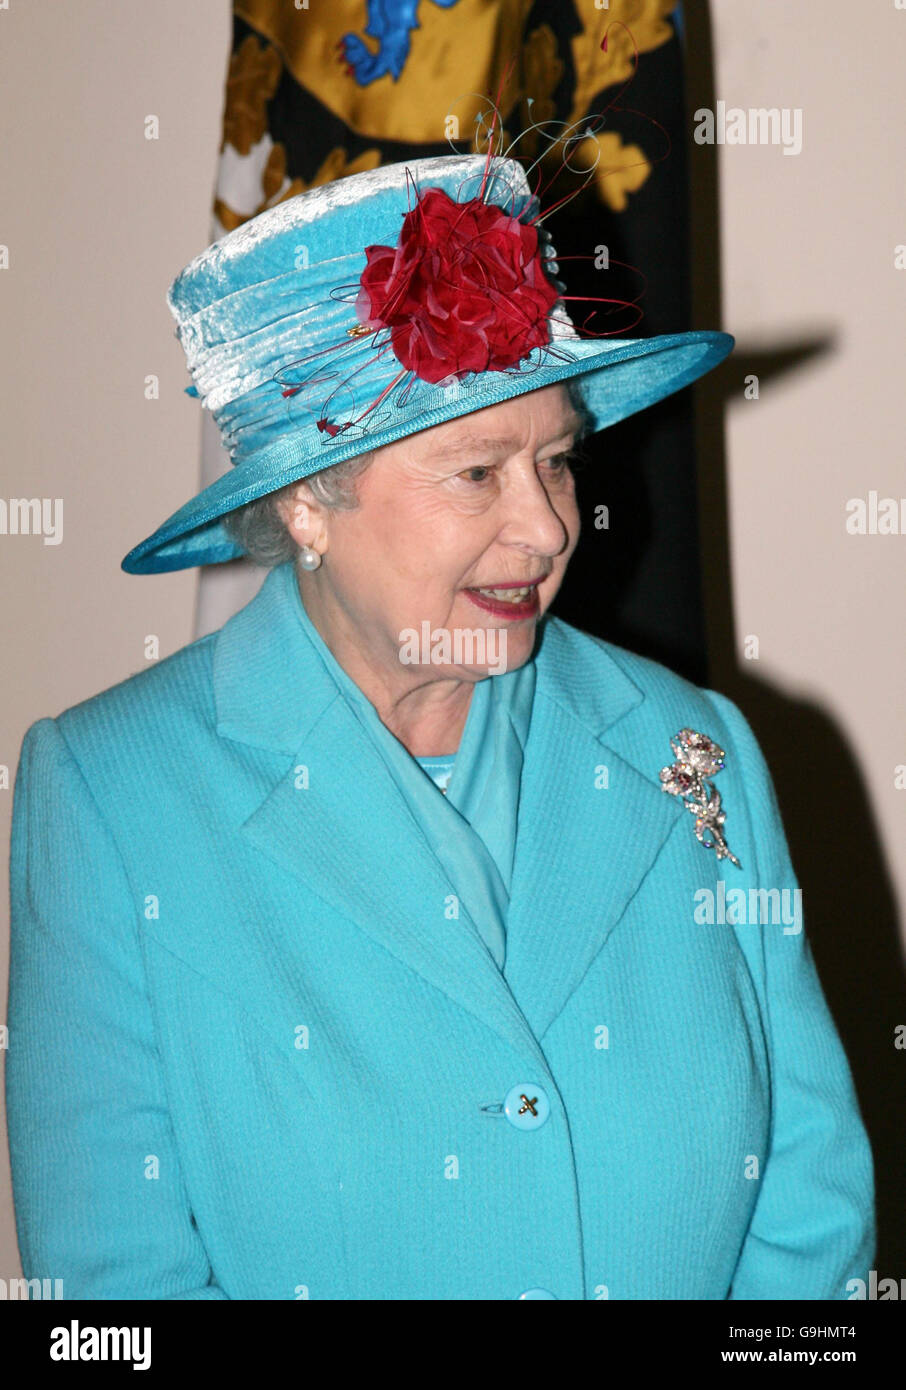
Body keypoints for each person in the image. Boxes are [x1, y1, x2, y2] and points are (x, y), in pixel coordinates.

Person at [6, 152, 874, 1300]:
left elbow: (811, 1223)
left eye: (557, 460)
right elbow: (113, 1302)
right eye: (477, 472)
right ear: (306, 501)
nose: (547, 528)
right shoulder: (114, 791)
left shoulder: (691, 749)